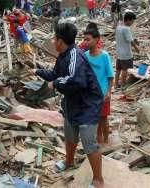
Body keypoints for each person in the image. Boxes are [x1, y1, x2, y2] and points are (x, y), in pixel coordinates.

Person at [30, 19, 104, 188]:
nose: (52, 41)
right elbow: (55, 73)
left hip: (88, 105)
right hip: (72, 102)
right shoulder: (63, 56)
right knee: (70, 135)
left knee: (88, 141)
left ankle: (98, 179)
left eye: (54, 39)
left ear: (60, 41)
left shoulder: (75, 56)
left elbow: (74, 80)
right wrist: (38, 71)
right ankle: (69, 162)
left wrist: (54, 84)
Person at [84, 28, 114, 145]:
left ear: (96, 40)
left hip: (102, 92)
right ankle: (98, 139)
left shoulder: (104, 56)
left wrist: (109, 92)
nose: (86, 42)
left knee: (103, 118)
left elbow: (110, 76)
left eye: (88, 39)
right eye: (84, 39)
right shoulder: (85, 55)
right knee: (95, 118)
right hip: (90, 93)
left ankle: (105, 141)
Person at [114, 12, 139, 89]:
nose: (132, 23)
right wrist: (136, 48)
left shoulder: (118, 27)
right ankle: (123, 85)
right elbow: (130, 41)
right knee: (125, 70)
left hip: (119, 53)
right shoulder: (126, 29)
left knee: (118, 70)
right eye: (132, 21)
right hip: (126, 54)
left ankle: (115, 85)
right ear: (128, 20)